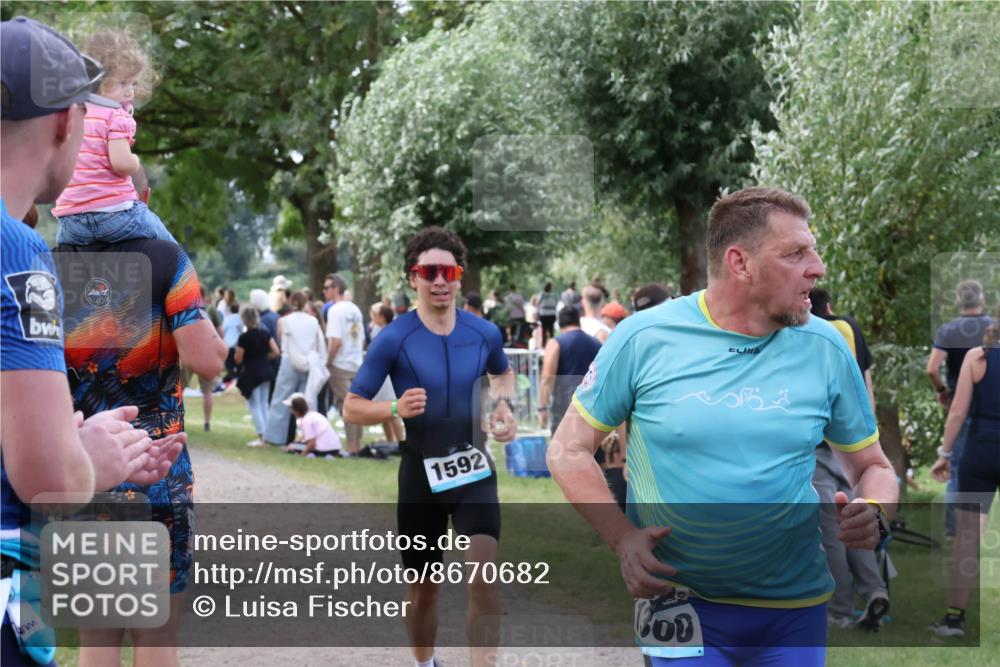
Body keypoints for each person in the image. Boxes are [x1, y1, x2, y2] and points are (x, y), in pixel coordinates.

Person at [548, 187, 897, 666]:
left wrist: (875, 508)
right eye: (796, 253)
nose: (817, 267)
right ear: (740, 263)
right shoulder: (645, 337)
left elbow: (873, 466)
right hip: (677, 601)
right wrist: (621, 538)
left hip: (793, 610)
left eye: (812, 250)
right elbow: (567, 449)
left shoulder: (827, 346)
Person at [1, 18, 176, 664]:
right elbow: (46, 478)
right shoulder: (17, 251)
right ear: (63, 123)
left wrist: (67, 435)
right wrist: (89, 461)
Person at [55, 168, 226, 667]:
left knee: (97, 641)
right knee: (155, 642)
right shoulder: (167, 259)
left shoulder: (42, 264)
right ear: (141, 201)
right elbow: (207, 362)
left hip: (82, 464)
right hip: (158, 465)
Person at [343, 227, 517, 667]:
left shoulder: (485, 333)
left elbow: (504, 374)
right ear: (413, 278)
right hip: (421, 473)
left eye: (449, 271)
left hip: (474, 468)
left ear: (459, 277)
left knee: (484, 576)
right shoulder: (393, 338)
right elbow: (351, 406)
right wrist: (393, 408)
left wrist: (503, 406)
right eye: (429, 271)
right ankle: (425, 662)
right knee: (424, 589)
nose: (440, 280)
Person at [808, 288, 889, 630]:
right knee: (857, 520)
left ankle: (840, 610)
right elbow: (865, 385)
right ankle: (874, 590)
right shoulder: (849, 328)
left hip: (820, 444)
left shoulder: (806, 335)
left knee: (833, 529)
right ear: (829, 305)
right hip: (855, 441)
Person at [50, 28, 176, 246]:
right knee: (170, 249)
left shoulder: (71, 113)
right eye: (123, 83)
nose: (130, 92)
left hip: (70, 223)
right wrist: (135, 161)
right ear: (99, 81)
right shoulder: (115, 116)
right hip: (114, 216)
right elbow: (121, 164)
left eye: (133, 84)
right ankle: (187, 279)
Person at [929, 307, 1000, 637]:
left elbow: (957, 412)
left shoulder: (977, 358)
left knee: (967, 540)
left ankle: (954, 619)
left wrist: (944, 454)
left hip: (981, 451)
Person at [926, 279, 995, 538]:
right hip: (991, 405)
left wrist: (942, 391)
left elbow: (932, 368)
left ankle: (954, 530)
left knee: (956, 466)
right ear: (982, 300)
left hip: (961, 402)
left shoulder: (949, 330)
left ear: (958, 301)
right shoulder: (993, 328)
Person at [263, 291, 327, 446]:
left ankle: (274, 437)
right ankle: (309, 436)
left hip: (288, 361)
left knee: (280, 400)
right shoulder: (313, 321)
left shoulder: (284, 321)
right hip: (307, 362)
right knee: (308, 400)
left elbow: (280, 339)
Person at [325, 273, 365, 456]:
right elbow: (362, 338)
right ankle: (357, 445)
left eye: (327, 288)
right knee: (357, 404)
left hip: (341, 364)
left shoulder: (334, 310)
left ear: (336, 289)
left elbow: (336, 341)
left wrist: (328, 362)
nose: (324, 291)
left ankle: (351, 448)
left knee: (347, 406)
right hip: (356, 362)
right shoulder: (354, 309)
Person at [235, 304, 279, 447]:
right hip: (266, 371)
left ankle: (262, 436)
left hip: (252, 373)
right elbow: (276, 351)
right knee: (264, 404)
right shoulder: (265, 334)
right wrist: (264, 356)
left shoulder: (244, 338)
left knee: (255, 405)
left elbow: (238, 358)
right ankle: (269, 435)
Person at [368, 303, 404, 445]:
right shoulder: (376, 329)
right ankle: (390, 442)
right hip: (379, 375)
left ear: (382, 317)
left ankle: (401, 442)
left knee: (393, 410)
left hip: (388, 376)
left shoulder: (391, 332)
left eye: (376, 314)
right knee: (383, 411)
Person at [283, 393, 342, 458]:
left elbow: (312, 443)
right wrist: (295, 443)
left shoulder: (306, 420)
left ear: (296, 409)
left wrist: (302, 454)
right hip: (335, 449)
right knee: (294, 445)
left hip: (323, 449)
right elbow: (304, 436)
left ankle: (313, 454)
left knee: (293, 448)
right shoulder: (314, 415)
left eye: (291, 408)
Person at [220, 297, 243, 383]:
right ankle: (235, 377)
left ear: (229, 309)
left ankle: (232, 377)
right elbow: (242, 331)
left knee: (229, 365)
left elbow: (223, 331)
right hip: (237, 346)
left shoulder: (226, 319)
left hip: (228, 345)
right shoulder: (240, 319)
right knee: (238, 364)